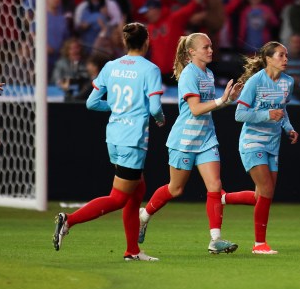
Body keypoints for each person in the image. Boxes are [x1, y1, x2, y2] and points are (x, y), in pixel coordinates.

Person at [52, 22, 165, 261]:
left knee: (137, 190)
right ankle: (69, 221)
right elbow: (155, 107)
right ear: (147, 42)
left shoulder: (111, 66)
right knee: (119, 198)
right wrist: (160, 118)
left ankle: (132, 251)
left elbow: (92, 102)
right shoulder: (150, 69)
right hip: (132, 139)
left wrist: (115, 107)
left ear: (125, 42)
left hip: (113, 137)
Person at [138, 33, 242, 254]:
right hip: (184, 140)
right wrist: (221, 100)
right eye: (206, 47)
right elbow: (195, 109)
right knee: (175, 189)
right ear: (192, 52)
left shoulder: (209, 74)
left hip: (206, 138)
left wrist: (228, 100)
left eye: (211, 46)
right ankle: (144, 215)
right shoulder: (188, 75)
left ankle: (215, 240)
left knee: (215, 186)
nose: (211, 50)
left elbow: (209, 106)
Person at [223, 41, 298, 255]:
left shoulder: (288, 83)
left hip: (273, 144)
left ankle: (223, 198)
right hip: (252, 142)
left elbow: (282, 110)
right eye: (281, 55)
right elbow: (240, 114)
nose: (286, 60)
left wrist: (289, 128)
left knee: (264, 195)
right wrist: (267, 114)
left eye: (286, 56)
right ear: (268, 58)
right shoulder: (255, 82)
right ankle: (259, 244)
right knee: (265, 190)